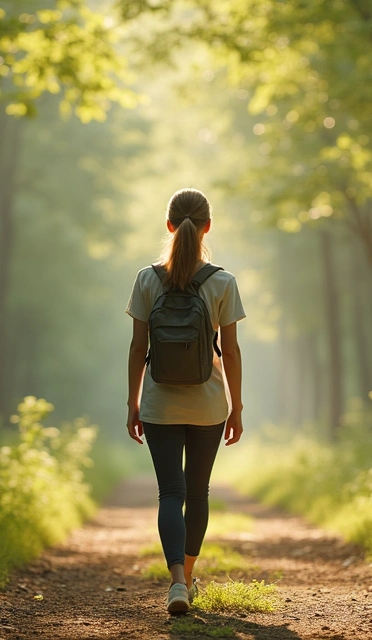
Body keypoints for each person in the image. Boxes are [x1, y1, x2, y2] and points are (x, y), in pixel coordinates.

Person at [125, 188, 246, 615]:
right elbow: (229, 352)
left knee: (168, 493)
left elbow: (138, 347)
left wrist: (132, 403)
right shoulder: (222, 281)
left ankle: (177, 582)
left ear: (169, 224)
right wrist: (237, 407)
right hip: (208, 405)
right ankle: (189, 576)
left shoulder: (146, 278)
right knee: (197, 493)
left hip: (159, 402)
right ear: (208, 226)